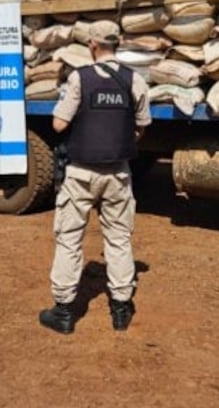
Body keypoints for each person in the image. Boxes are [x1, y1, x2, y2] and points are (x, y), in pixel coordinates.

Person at [39, 20, 152, 334]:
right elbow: (141, 127)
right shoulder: (134, 79)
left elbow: (59, 126)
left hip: (81, 174)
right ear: (118, 43)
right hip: (117, 173)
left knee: (69, 239)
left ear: (92, 45)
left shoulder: (80, 78)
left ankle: (63, 312)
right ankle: (120, 309)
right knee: (118, 239)